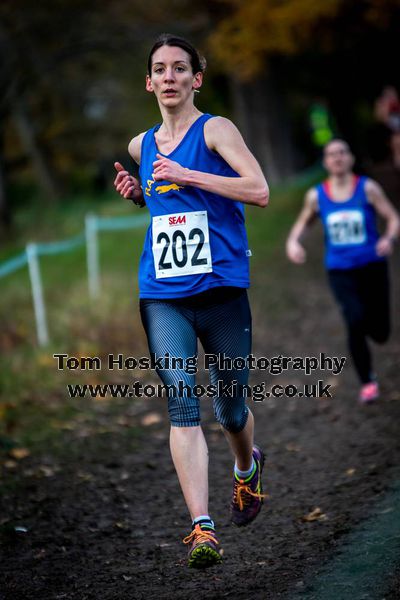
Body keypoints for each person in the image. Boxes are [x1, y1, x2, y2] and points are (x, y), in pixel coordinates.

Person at [113, 34, 269, 568]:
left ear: (196, 78)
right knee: (182, 398)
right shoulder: (141, 146)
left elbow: (258, 189)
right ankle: (202, 528)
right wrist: (143, 196)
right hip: (164, 294)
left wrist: (188, 174)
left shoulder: (217, 129)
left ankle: (246, 470)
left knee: (229, 407)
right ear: (149, 81)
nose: (171, 77)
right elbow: (166, 209)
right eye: (161, 69)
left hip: (222, 289)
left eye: (181, 68)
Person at [286, 139, 399, 404]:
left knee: (380, 331)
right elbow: (303, 223)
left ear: (350, 158)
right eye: (331, 154)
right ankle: (367, 381)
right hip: (340, 270)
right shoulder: (317, 195)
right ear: (325, 162)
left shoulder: (368, 188)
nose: (337, 158)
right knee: (354, 319)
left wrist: (389, 239)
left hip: (372, 265)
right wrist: (293, 242)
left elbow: (393, 217)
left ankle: (374, 339)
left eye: (342, 153)